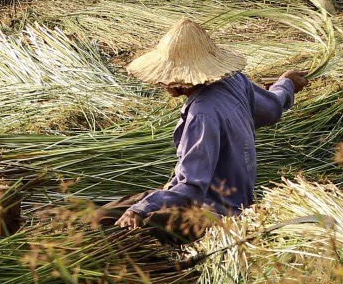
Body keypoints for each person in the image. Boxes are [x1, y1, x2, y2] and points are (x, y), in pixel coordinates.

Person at [107, 19, 311, 242]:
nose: (161, 82)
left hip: (216, 211)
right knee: (108, 213)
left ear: (182, 78)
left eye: (167, 75)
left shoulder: (202, 114)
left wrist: (140, 210)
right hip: (216, 196)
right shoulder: (234, 81)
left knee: (137, 230)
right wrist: (286, 84)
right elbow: (272, 108)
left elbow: (192, 188)